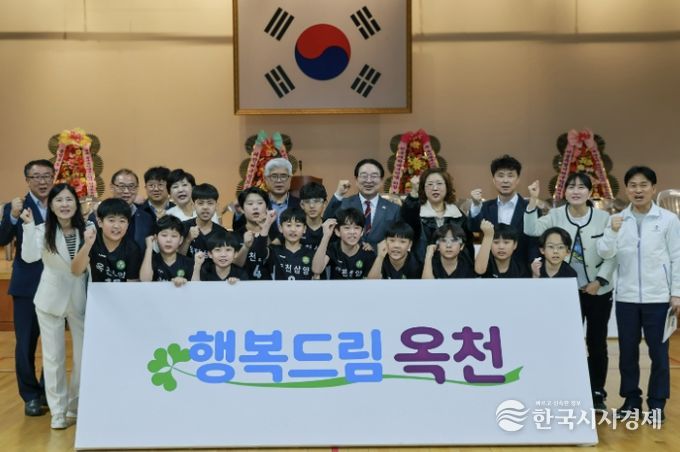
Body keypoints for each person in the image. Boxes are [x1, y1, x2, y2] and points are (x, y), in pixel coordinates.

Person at [524, 172, 615, 411]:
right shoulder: (555, 215)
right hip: (565, 292)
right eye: (571, 187)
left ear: (590, 192)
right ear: (563, 192)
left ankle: (597, 393)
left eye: (581, 187)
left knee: (597, 342)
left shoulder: (603, 218)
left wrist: (600, 281)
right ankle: (566, 389)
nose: (576, 191)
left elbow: (612, 253)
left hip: (598, 291)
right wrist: (533, 200)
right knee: (565, 342)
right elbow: (531, 229)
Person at [597, 166, 680, 422]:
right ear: (626, 190)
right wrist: (612, 231)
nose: (638, 190)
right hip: (626, 299)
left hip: (659, 299)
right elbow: (604, 252)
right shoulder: (618, 219)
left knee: (659, 354)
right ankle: (631, 400)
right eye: (633, 185)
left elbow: (677, 257)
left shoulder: (668, 220)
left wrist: (676, 293)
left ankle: (657, 404)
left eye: (643, 185)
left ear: (653, 188)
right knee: (628, 354)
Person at [20, 183, 90, 429]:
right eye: (59, 200)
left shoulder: (88, 230)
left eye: (69, 199)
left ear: (76, 204)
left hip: (80, 299)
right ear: (50, 205)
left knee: (83, 357)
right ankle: (58, 411)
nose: (64, 204)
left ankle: (75, 407)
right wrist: (28, 226)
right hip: (50, 300)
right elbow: (29, 256)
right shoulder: (41, 230)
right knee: (53, 357)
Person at [0, 159, 53, 416]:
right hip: (27, 286)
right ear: (27, 180)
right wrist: (12, 216)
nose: (42, 181)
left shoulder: (61, 203)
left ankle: (47, 391)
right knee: (25, 344)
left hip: (57, 285)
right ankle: (30, 396)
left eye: (47, 176)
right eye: (36, 177)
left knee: (54, 343)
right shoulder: (16, 206)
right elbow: (2, 238)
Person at [468, 154, 536, 267]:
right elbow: (473, 228)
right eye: (500, 175)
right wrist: (475, 205)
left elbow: (534, 241)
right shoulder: (484, 207)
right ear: (493, 180)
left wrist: (535, 263)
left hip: (522, 269)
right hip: (490, 269)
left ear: (518, 180)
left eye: (510, 176)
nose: (505, 180)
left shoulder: (530, 208)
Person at [401, 168, 475, 264]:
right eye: (430, 184)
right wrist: (414, 193)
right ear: (423, 188)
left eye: (439, 183)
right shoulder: (415, 213)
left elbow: (467, 249)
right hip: (421, 268)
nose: (435, 188)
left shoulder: (458, 215)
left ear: (447, 187)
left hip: (452, 270)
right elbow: (406, 225)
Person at [324, 158, 400, 248]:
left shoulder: (394, 209)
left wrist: (376, 248)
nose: (369, 180)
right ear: (356, 179)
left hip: (380, 256)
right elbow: (326, 222)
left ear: (381, 180)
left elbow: (399, 236)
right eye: (364, 176)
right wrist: (338, 194)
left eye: (374, 176)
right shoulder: (344, 204)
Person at [72, 198, 142, 282]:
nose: (116, 226)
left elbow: (132, 282)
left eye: (122, 221)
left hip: (122, 290)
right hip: (95, 289)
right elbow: (76, 272)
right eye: (111, 220)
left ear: (128, 224)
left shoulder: (132, 248)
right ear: (100, 222)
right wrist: (87, 245)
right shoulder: (91, 240)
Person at [232, 158, 300, 231]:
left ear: (290, 179)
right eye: (274, 176)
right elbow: (238, 230)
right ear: (265, 179)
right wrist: (238, 213)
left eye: (283, 176)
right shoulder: (256, 204)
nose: (279, 180)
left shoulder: (301, 205)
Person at [252, 207, 316, 280]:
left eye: (298, 225)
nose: (293, 229)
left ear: (304, 229)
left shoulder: (312, 254)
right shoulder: (274, 251)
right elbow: (259, 252)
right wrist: (267, 224)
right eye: (288, 225)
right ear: (280, 228)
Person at [312, 208, 376, 280]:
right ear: (337, 231)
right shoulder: (333, 248)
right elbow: (316, 270)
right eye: (347, 228)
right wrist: (326, 236)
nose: (352, 232)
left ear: (362, 232)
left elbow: (373, 282)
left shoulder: (367, 253)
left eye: (356, 228)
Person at [107, 168, 155, 252]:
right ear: (112, 187)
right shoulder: (100, 214)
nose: (126, 191)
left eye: (131, 186)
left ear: (137, 188)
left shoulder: (147, 218)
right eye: (121, 186)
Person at [231, 186, 273, 281]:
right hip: (242, 285)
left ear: (267, 207)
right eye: (250, 204)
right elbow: (234, 265)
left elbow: (272, 258)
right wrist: (245, 247)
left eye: (260, 203)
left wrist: (265, 229)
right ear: (242, 209)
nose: (255, 207)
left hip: (269, 286)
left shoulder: (275, 233)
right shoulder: (234, 236)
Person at [140, 215, 194, 286]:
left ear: (181, 240)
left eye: (174, 236)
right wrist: (149, 247)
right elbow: (145, 280)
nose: (168, 240)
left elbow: (196, 288)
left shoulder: (189, 263)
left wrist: (184, 283)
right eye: (164, 235)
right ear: (156, 238)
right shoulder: (149, 261)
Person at [179, 183, 227, 258]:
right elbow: (177, 259)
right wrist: (188, 239)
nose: (205, 207)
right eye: (200, 203)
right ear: (193, 205)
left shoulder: (222, 233)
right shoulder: (183, 227)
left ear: (216, 206)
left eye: (210, 203)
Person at [299, 181, 328, 251]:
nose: (312, 206)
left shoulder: (330, 228)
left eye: (317, 201)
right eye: (307, 201)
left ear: (324, 204)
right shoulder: (296, 228)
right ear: (302, 205)